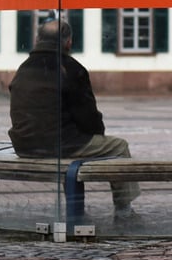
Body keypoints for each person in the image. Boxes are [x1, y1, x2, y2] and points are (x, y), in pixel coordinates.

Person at [8, 18, 141, 227]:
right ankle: (124, 212)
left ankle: (77, 210)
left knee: (67, 148)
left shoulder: (24, 68)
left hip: (25, 145)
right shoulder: (70, 68)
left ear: (37, 39)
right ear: (68, 42)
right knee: (119, 147)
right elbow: (88, 117)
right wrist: (98, 134)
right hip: (59, 144)